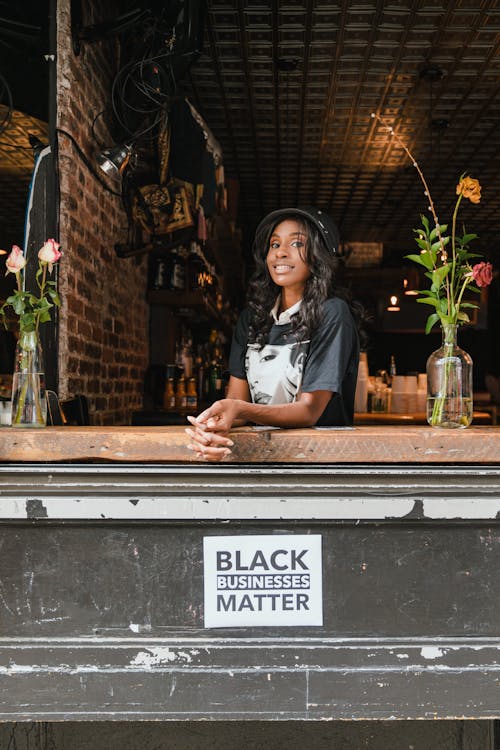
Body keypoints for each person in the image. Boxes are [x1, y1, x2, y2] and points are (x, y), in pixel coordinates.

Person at [185, 206, 360, 460]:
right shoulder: (251, 320)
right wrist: (212, 426)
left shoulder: (332, 314)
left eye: (297, 243)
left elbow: (309, 410)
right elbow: (237, 402)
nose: (280, 253)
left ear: (318, 255)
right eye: (275, 244)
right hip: (261, 458)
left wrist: (237, 409)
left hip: (319, 463)